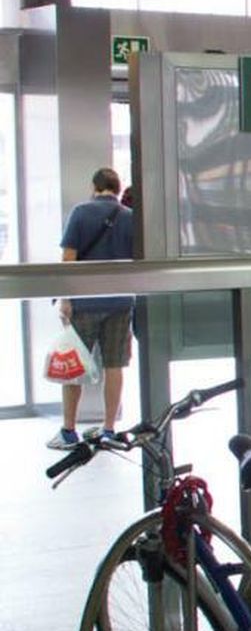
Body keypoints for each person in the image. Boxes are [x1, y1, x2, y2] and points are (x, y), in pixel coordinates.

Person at [50, 168, 135, 449]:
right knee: (115, 366)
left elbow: (69, 259)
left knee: (74, 368)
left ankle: (69, 430)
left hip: (85, 302)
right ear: (117, 187)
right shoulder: (130, 217)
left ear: (94, 186)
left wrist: (65, 299)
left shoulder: (80, 212)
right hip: (121, 302)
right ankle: (109, 428)